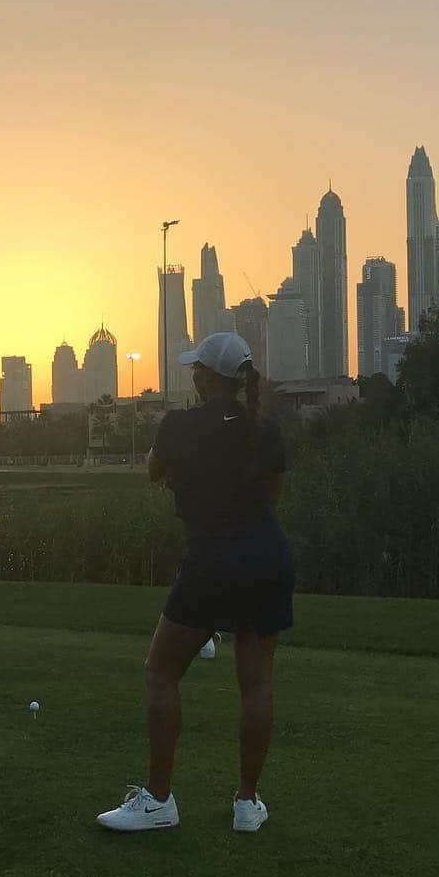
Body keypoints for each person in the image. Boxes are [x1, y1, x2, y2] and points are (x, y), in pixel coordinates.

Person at [96, 332, 294, 833]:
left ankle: (159, 801)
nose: (192, 376)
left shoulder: (180, 426)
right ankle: (248, 805)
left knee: (161, 669)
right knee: (256, 682)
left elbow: (154, 473)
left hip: (212, 560)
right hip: (267, 556)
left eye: (195, 370)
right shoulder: (263, 430)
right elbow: (272, 495)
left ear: (207, 377)